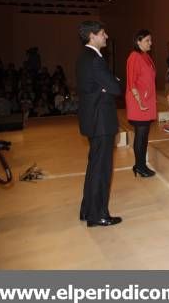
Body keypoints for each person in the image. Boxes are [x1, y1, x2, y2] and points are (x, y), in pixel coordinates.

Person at [76, 20, 122, 227]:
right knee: (102, 170)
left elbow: (105, 87)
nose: (106, 36)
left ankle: (87, 210)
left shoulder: (83, 57)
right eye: (103, 33)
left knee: (94, 167)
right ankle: (98, 215)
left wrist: (107, 86)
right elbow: (115, 88)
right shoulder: (95, 59)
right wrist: (114, 83)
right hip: (101, 121)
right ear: (92, 36)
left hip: (92, 119)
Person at [125, 29, 157, 178]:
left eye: (150, 40)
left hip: (147, 100)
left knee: (144, 136)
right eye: (147, 41)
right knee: (141, 135)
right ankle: (140, 166)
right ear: (138, 42)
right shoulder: (134, 56)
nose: (150, 43)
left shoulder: (145, 56)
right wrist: (140, 102)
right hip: (139, 101)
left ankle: (140, 165)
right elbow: (132, 83)